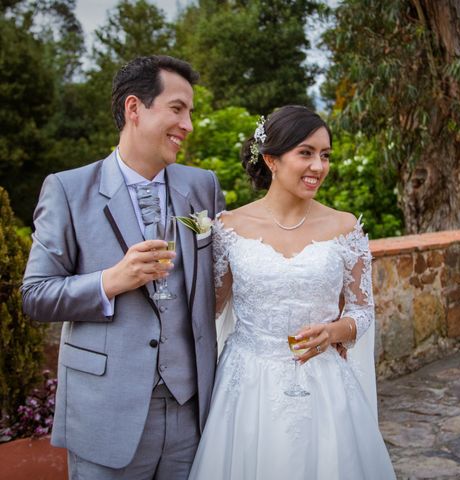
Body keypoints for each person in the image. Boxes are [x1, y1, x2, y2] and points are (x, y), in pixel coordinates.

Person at [21, 55, 225, 479]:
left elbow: (226, 272)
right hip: (106, 412)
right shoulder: (68, 189)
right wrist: (111, 281)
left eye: (190, 112)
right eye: (177, 109)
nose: (188, 124)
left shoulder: (202, 186)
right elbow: (35, 295)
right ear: (134, 108)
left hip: (191, 410)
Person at [187, 105, 396, 479]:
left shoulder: (345, 228)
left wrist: (334, 332)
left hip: (322, 384)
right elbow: (210, 309)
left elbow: (364, 312)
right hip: (247, 385)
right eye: (306, 153)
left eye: (325, 155)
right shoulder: (229, 228)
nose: (319, 166)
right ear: (271, 159)